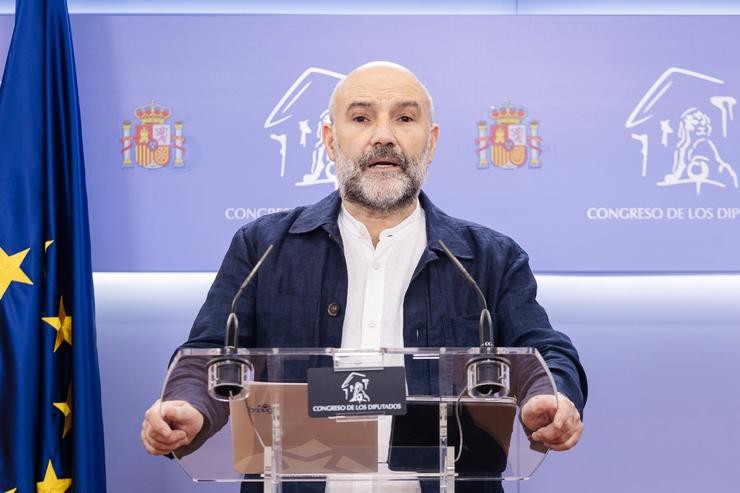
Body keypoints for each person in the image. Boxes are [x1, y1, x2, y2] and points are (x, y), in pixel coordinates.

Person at [140, 61, 587, 491]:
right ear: (330, 140)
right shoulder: (264, 247)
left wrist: (552, 396)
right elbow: (207, 355)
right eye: (361, 117)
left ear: (431, 142)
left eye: (405, 118)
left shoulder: (488, 258)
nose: (384, 136)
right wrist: (189, 405)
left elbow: (544, 352)